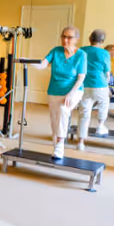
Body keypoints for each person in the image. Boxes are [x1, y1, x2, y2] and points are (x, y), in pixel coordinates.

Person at [30, 26, 87, 160]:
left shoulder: (81, 55)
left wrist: (71, 94)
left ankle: (60, 145)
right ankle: (57, 143)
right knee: (55, 120)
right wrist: (27, 61)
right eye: (63, 36)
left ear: (76, 39)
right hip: (54, 90)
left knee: (63, 110)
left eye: (69, 37)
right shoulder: (56, 51)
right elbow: (43, 64)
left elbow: (81, 78)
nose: (65, 40)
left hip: (74, 90)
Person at [77, 30, 111, 150]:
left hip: (84, 84)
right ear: (102, 41)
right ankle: (100, 126)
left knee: (84, 113)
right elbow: (107, 72)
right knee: (104, 103)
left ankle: (80, 142)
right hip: (99, 84)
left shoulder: (82, 50)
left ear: (90, 38)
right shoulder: (104, 53)